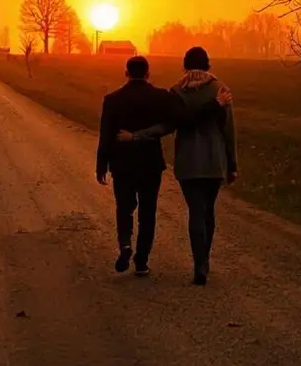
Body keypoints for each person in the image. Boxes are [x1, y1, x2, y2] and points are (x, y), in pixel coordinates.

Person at [118, 46, 238, 286]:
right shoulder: (220, 90)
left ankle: (198, 263)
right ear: (208, 65)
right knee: (208, 211)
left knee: (195, 210)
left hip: (187, 161)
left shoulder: (176, 91)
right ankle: (204, 262)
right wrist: (232, 163)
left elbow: (166, 126)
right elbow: (229, 130)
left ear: (184, 65)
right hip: (214, 160)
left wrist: (137, 135)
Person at [95, 56, 175, 277]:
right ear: (148, 73)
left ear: (126, 73)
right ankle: (141, 261)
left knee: (124, 208)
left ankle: (125, 245)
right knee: (148, 212)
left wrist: (101, 163)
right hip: (150, 163)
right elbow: (170, 124)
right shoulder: (160, 97)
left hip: (122, 164)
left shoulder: (112, 100)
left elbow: (106, 135)